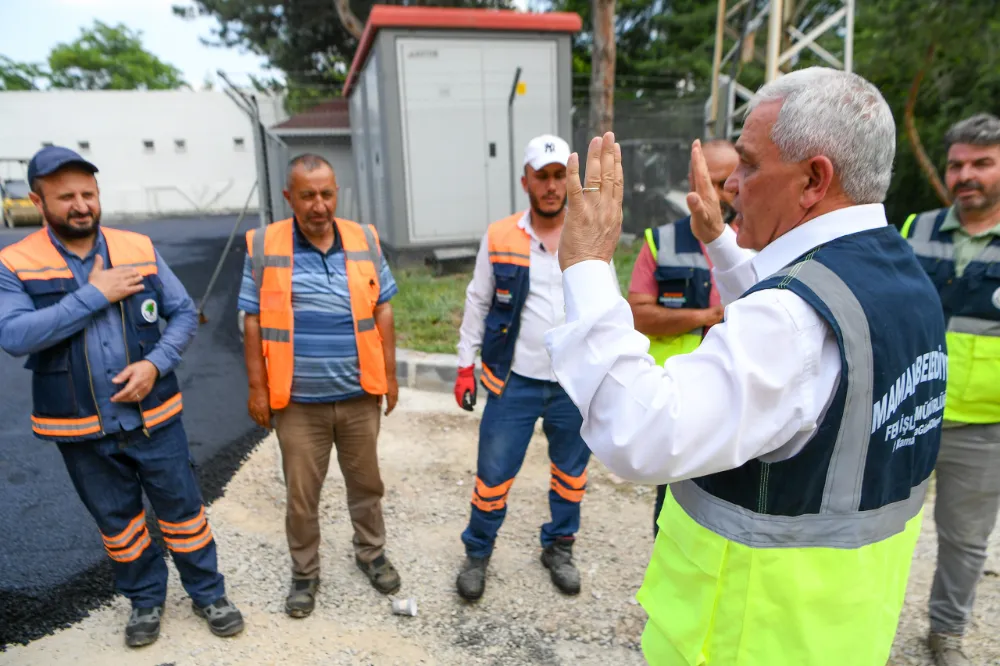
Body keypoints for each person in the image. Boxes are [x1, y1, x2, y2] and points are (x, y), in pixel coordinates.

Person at [546, 67, 948, 665]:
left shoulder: (792, 323)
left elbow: (642, 434)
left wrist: (584, 264)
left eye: (751, 164)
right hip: (839, 630)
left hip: (745, 638)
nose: (733, 183)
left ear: (814, 179)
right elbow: (794, 368)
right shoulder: (904, 279)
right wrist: (723, 245)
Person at [0, 146, 244, 648]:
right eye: (66, 196)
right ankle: (145, 601)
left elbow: (181, 313)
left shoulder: (136, 246)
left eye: (88, 193)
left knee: (185, 514)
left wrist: (156, 364)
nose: (81, 204)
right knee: (119, 523)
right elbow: (16, 336)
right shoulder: (16, 262)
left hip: (155, 418)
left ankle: (208, 593)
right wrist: (96, 293)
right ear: (38, 201)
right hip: (81, 428)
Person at [452, 134, 617, 601]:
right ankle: (478, 553)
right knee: (493, 475)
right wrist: (466, 365)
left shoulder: (588, 233)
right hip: (513, 382)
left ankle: (559, 548)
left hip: (572, 384)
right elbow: (478, 300)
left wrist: (606, 370)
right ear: (525, 180)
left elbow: (607, 304)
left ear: (569, 180)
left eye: (558, 176)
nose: (550, 186)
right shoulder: (501, 235)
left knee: (570, 474)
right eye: (540, 176)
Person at [240, 154, 401, 619]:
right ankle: (305, 573)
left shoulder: (364, 238)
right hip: (297, 404)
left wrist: (389, 376)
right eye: (307, 195)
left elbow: (383, 308)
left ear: (336, 194)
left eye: (326, 194)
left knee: (366, 485)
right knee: (301, 495)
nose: (318, 205)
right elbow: (252, 320)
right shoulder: (264, 245)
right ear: (289, 197)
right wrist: (257, 386)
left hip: (358, 396)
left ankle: (371, 553)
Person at [899, 112, 1000, 666]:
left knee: (964, 541)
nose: (966, 175)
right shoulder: (915, 230)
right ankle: (867, 615)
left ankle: (947, 634)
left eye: (982, 164)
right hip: (909, 415)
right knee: (881, 525)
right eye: (958, 164)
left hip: (985, 427)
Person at [626, 140, 736, 536]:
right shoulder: (662, 241)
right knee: (672, 509)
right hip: (680, 401)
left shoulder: (759, 240)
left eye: (730, 182)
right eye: (714, 182)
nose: (724, 194)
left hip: (737, 401)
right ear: (694, 184)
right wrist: (707, 316)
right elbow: (638, 314)